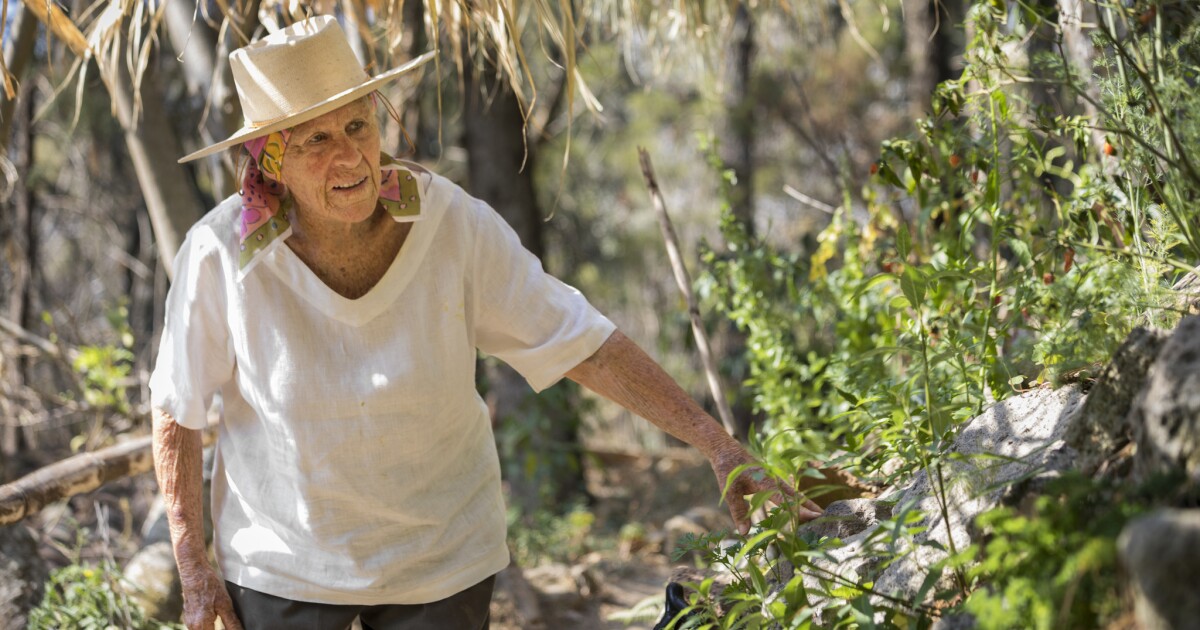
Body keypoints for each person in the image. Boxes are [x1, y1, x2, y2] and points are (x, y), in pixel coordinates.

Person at [150, 16, 821, 630]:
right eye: (317, 140)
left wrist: (719, 447)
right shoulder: (220, 255)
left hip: (441, 558)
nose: (349, 157)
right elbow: (177, 410)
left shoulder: (451, 224)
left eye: (358, 126)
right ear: (271, 158)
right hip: (284, 565)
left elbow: (584, 344)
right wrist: (193, 565)